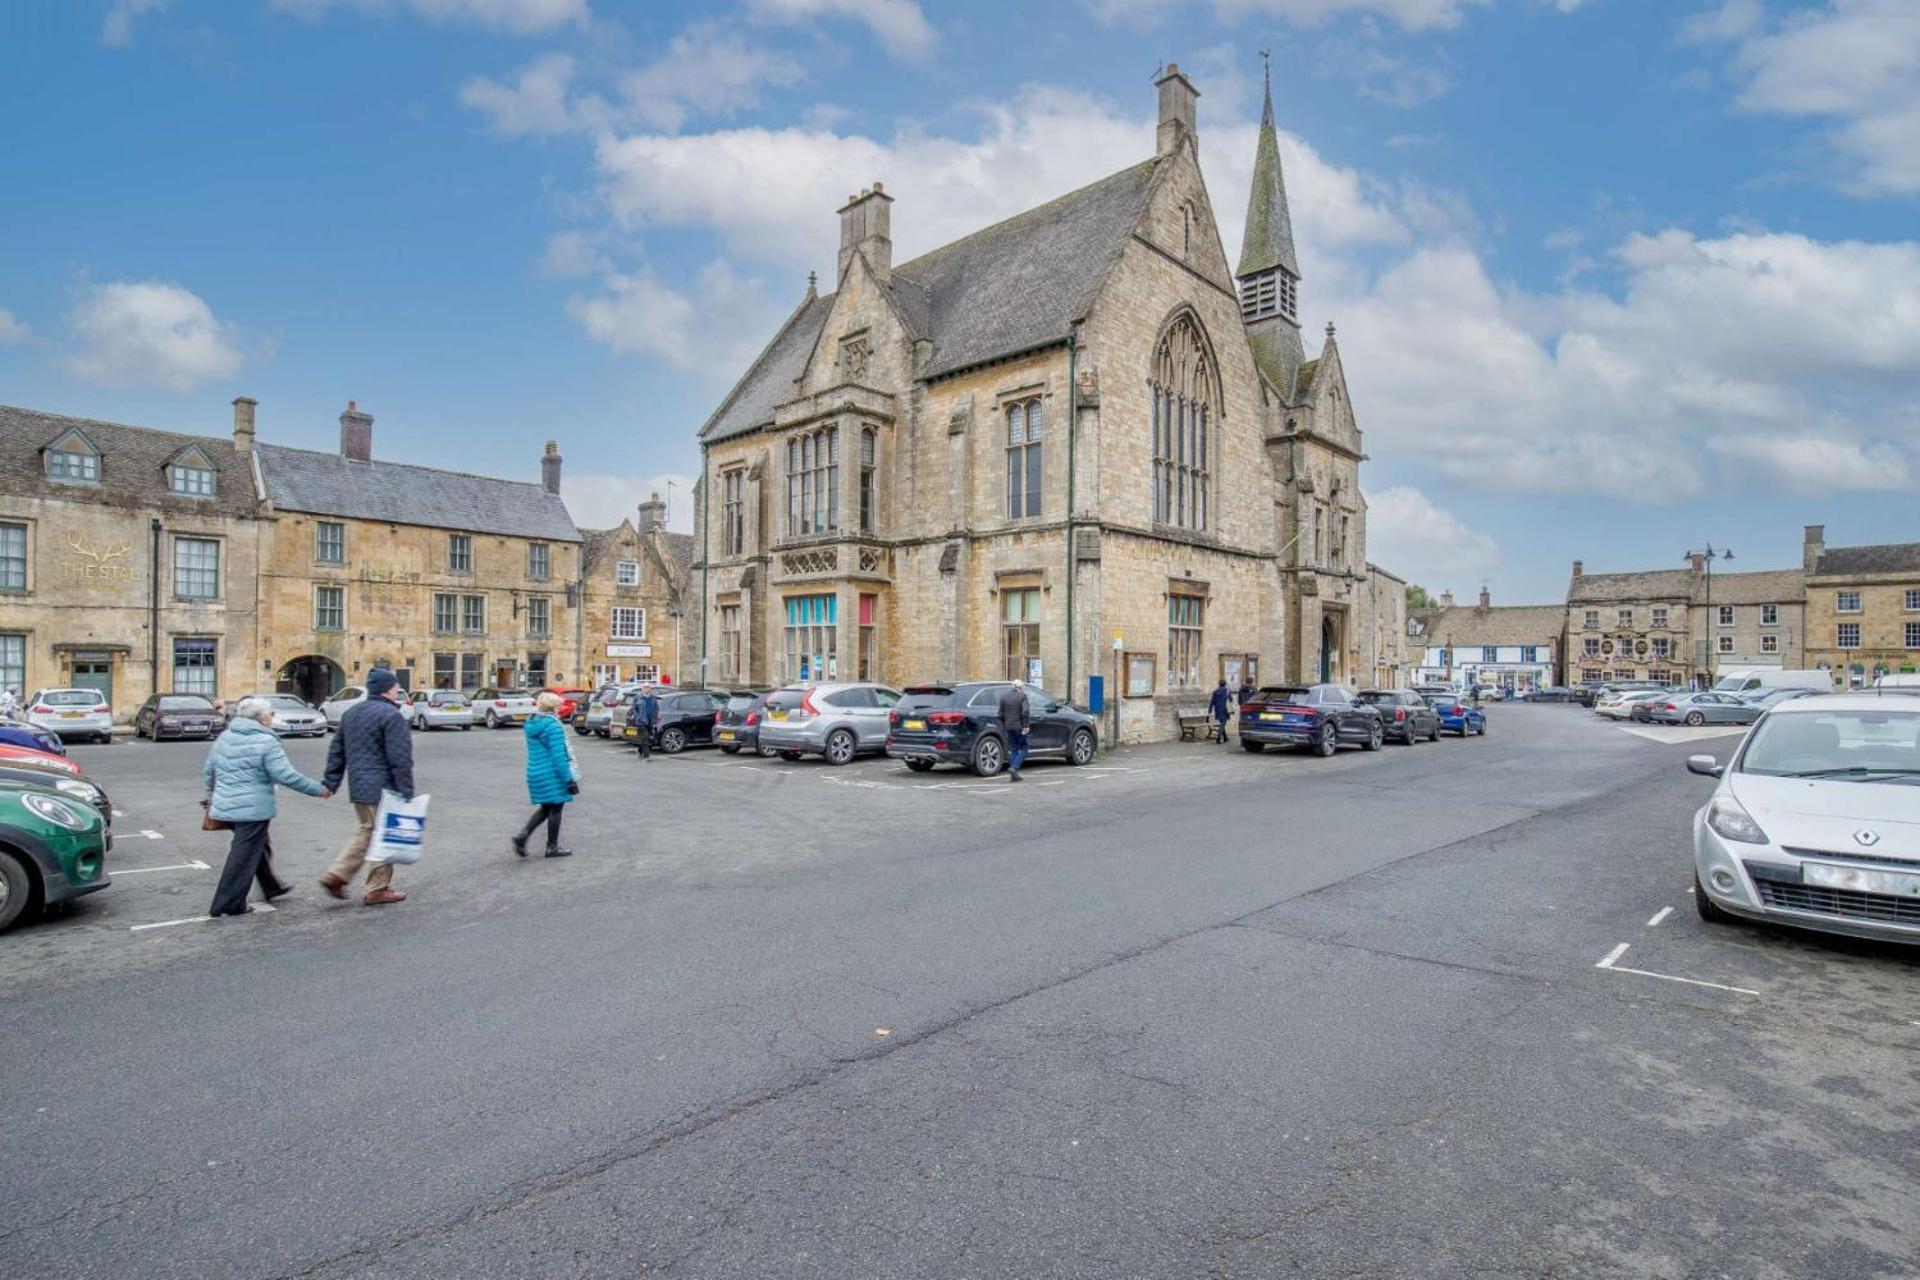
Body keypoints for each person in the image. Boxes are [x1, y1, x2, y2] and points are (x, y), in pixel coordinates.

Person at [203, 697, 330, 917]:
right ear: (262, 718)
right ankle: (227, 903)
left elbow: (210, 770)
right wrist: (318, 789)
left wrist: (211, 795)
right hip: (251, 808)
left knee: (257, 845)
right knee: (244, 853)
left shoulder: (225, 737)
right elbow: (285, 775)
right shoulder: (266, 741)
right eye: (270, 714)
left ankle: (271, 886)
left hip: (226, 803)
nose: (272, 718)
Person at [319, 668, 415, 906]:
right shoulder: (392, 716)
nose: (397, 691)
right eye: (395, 687)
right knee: (382, 833)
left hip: (359, 785)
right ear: (387, 689)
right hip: (383, 785)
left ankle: (339, 875)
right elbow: (400, 758)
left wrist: (331, 782)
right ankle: (376, 888)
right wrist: (407, 790)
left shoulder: (351, 713)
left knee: (368, 829)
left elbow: (337, 752)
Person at [513, 691, 577, 858]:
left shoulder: (532, 723)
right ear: (553, 707)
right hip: (551, 773)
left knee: (545, 807)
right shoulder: (553, 726)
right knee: (556, 807)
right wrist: (569, 779)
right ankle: (552, 847)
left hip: (535, 771)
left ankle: (523, 836)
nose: (560, 707)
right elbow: (558, 756)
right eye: (558, 705)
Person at [996, 680, 1031, 782]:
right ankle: (1014, 767)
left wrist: (1005, 723)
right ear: (1020, 688)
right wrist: (1026, 725)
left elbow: (1000, 714)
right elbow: (1025, 711)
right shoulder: (1023, 696)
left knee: (1014, 749)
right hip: (1019, 727)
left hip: (1008, 727)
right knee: (1024, 748)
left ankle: (1014, 775)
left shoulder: (1004, 697)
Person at [628, 682, 659, 761]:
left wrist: (656, 717)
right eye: (644, 687)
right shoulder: (637, 697)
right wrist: (637, 716)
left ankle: (639, 751)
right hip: (641, 721)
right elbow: (633, 708)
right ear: (642, 689)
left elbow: (656, 708)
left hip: (650, 721)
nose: (646, 689)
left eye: (648, 687)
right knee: (645, 738)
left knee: (645, 738)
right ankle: (646, 756)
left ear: (650, 689)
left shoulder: (653, 698)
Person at [1208, 678, 1234, 744]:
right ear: (1225, 684)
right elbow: (1231, 699)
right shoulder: (1227, 691)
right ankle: (1218, 738)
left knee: (1222, 722)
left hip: (1218, 709)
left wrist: (1210, 709)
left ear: (1219, 684)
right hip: (1225, 709)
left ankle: (1225, 737)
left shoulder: (1215, 691)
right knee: (1223, 723)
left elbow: (1212, 701)